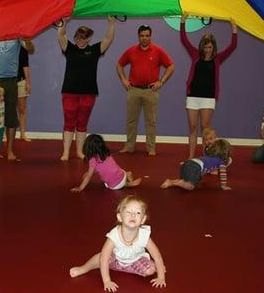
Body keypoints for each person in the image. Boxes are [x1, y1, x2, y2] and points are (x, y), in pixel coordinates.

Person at [69, 195, 166, 291]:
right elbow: (104, 259)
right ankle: (85, 268)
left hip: (135, 260)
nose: (133, 215)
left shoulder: (144, 236)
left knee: (151, 270)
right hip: (115, 260)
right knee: (101, 256)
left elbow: (157, 256)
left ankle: (154, 267)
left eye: (138, 213)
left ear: (143, 219)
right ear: (120, 217)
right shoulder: (114, 235)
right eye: (128, 212)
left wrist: (161, 277)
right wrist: (107, 281)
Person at [57, 16, 115, 161]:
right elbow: (61, 34)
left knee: (82, 123)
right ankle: (65, 152)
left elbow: (108, 39)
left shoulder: (95, 50)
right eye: (77, 37)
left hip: (88, 93)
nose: (79, 40)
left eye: (82, 38)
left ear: (89, 39)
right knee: (69, 123)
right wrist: (64, 21)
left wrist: (111, 23)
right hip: (70, 92)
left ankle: (79, 152)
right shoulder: (69, 48)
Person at [180, 15, 237, 159]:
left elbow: (232, 47)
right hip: (193, 96)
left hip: (208, 98)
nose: (207, 50)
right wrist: (182, 22)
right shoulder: (195, 55)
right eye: (205, 47)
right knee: (192, 128)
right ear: (201, 47)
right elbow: (184, 40)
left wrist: (234, 28)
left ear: (213, 47)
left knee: (205, 130)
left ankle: (207, 158)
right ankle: (191, 158)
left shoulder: (218, 59)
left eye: (210, 47)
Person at [116, 24, 175, 156]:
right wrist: (124, 80)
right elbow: (119, 65)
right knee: (131, 121)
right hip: (134, 90)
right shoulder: (131, 51)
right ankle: (129, 146)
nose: (144, 38)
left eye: (147, 36)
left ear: (150, 36)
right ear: (138, 36)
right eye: (142, 35)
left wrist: (161, 81)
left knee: (151, 122)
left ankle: (151, 148)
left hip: (150, 91)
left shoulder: (158, 51)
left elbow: (171, 66)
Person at [0, 39, 35, 161]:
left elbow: (31, 49)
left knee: (11, 117)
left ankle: (10, 150)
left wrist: (27, 38)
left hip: (10, 80)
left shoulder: (16, 34)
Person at [70, 134, 141, 192]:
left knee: (113, 183)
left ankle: (128, 184)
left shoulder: (93, 159)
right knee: (118, 172)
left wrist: (80, 188)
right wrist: (88, 173)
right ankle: (127, 176)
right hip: (122, 175)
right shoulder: (106, 153)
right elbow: (103, 167)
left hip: (115, 186)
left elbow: (89, 175)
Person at [160, 139, 232, 191]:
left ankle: (171, 181)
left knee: (186, 181)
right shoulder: (220, 162)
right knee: (190, 186)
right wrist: (224, 186)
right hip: (195, 167)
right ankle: (177, 183)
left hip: (188, 163)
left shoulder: (210, 157)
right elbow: (223, 174)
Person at [17, 45, 32, 141]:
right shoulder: (6, 47)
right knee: (7, 109)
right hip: (8, 80)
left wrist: (28, 82)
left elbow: (25, 65)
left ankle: (22, 133)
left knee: (22, 109)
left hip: (21, 81)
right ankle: (4, 134)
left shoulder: (23, 47)